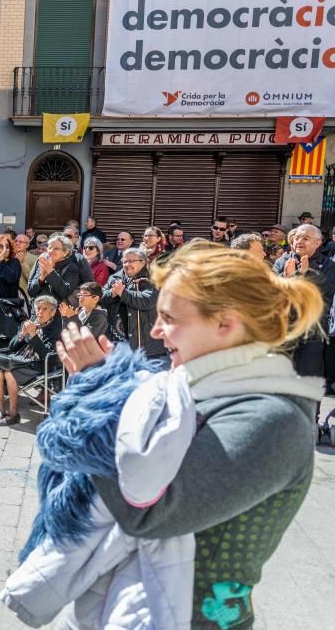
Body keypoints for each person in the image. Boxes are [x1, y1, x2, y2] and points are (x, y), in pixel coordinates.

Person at [41, 241, 325, 629]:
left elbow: (149, 512)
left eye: (170, 318)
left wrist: (98, 392)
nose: (156, 331)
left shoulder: (274, 419)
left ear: (225, 323)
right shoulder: (191, 385)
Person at [273, 224, 335, 386]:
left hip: (312, 330)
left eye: (306, 238)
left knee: (309, 378)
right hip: (284, 329)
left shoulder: (329, 265)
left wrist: (303, 276)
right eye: (297, 237)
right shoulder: (283, 261)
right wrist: (290, 277)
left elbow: (321, 293)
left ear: (318, 243)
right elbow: (272, 290)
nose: (300, 241)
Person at [0, 295, 62, 426]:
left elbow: (47, 354)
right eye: (38, 308)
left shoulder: (57, 328)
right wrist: (22, 334)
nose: (40, 312)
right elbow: (11, 346)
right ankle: (0, 411)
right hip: (21, 359)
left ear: (53, 312)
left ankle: (13, 414)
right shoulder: (33, 321)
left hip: (40, 364)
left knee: (9, 373)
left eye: (44, 309)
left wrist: (34, 335)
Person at [102, 247, 167, 363]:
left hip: (145, 344)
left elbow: (147, 301)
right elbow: (100, 298)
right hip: (118, 343)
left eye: (131, 261)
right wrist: (112, 293)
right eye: (125, 261)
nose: (127, 264)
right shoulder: (115, 278)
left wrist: (123, 293)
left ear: (143, 262)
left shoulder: (152, 279)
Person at [27, 235, 86, 307]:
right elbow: (30, 291)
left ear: (66, 252)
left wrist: (51, 272)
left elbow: (65, 292)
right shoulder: (41, 262)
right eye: (50, 247)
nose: (51, 251)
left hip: (58, 314)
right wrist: (41, 279)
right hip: (38, 312)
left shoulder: (72, 267)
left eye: (56, 249)